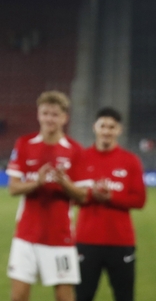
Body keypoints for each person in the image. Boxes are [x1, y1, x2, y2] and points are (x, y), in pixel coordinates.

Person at [5, 91, 85, 301]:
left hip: (60, 236)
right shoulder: (24, 143)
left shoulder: (75, 150)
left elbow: (83, 196)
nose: (49, 119)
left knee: (64, 297)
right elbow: (13, 188)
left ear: (64, 118)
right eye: (45, 113)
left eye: (55, 114)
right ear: (38, 115)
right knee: (18, 297)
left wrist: (64, 183)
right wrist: (37, 183)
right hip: (26, 236)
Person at [73, 108, 146, 301]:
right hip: (87, 241)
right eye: (103, 126)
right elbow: (72, 197)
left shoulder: (130, 161)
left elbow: (139, 200)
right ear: (94, 127)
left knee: (124, 297)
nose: (106, 131)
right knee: (82, 296)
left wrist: (110, 197)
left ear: (119, 130)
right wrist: (93, 194)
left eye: (111, 127)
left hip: (121, 241)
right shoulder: (81, 158)